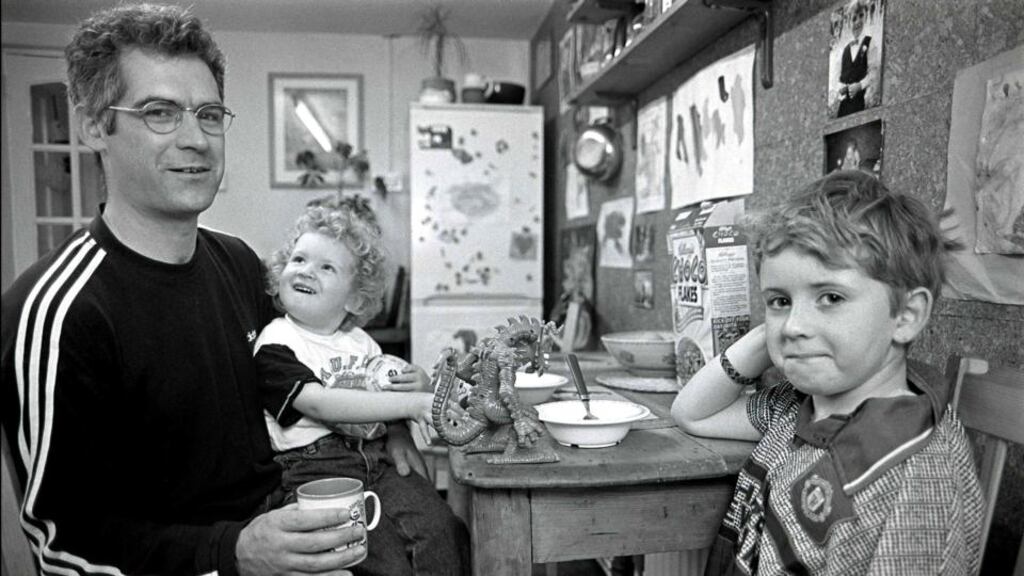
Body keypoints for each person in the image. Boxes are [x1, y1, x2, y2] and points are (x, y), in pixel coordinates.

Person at [0, 4, 423, 574]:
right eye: (159, 113)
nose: (196, 139)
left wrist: (393, 424)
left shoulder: (240, 263)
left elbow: (323, 359)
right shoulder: (55, 313)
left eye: (208, 113)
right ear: (97, 125)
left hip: (297, 534)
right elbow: (64, 548)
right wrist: (237, 553)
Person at [672, 170, 984, 575]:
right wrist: (768, 337)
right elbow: (693, 413)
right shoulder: (801, 405)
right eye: (780, 300)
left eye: (831, 297)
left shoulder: (914, 476)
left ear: (906, 316)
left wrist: (786, 321)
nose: (794, 325)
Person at [255, 195, 470, 575]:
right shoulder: (275, 344)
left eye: (326, 267)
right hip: (316, 472)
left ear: (354, 298)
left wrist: (406, 409)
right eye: (299, 259)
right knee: (384, 562)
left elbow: (386, 393)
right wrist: (411, 406)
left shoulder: (361, 342)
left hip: (379, 459)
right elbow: (320, 404)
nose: (306, 271)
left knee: (443, 529)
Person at [836, 0, 873, 117]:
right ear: (849, 23)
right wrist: (841, 88)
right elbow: (840, 77)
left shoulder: (870, 43)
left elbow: (874, 72)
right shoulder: (845, 50)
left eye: (861, 16)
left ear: (866, 17)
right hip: (843, 106)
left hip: (859, 105)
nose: (857, 22)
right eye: (854, 19)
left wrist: (860, 85)